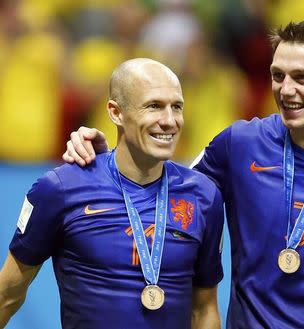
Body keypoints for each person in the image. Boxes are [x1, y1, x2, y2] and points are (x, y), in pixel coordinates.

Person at [62, 19, 304, 328]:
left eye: (302, 78)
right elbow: (163, 186)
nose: (286, 90)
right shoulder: (240, 144)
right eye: (278, 76)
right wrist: (105, 155)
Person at [0, 58, 225, 329]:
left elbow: (204, 310)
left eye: (176, 107)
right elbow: (7, 296)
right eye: (154, 106)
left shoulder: (203, 196)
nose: (169, 121)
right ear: (116, 113)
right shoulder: (61, 189)